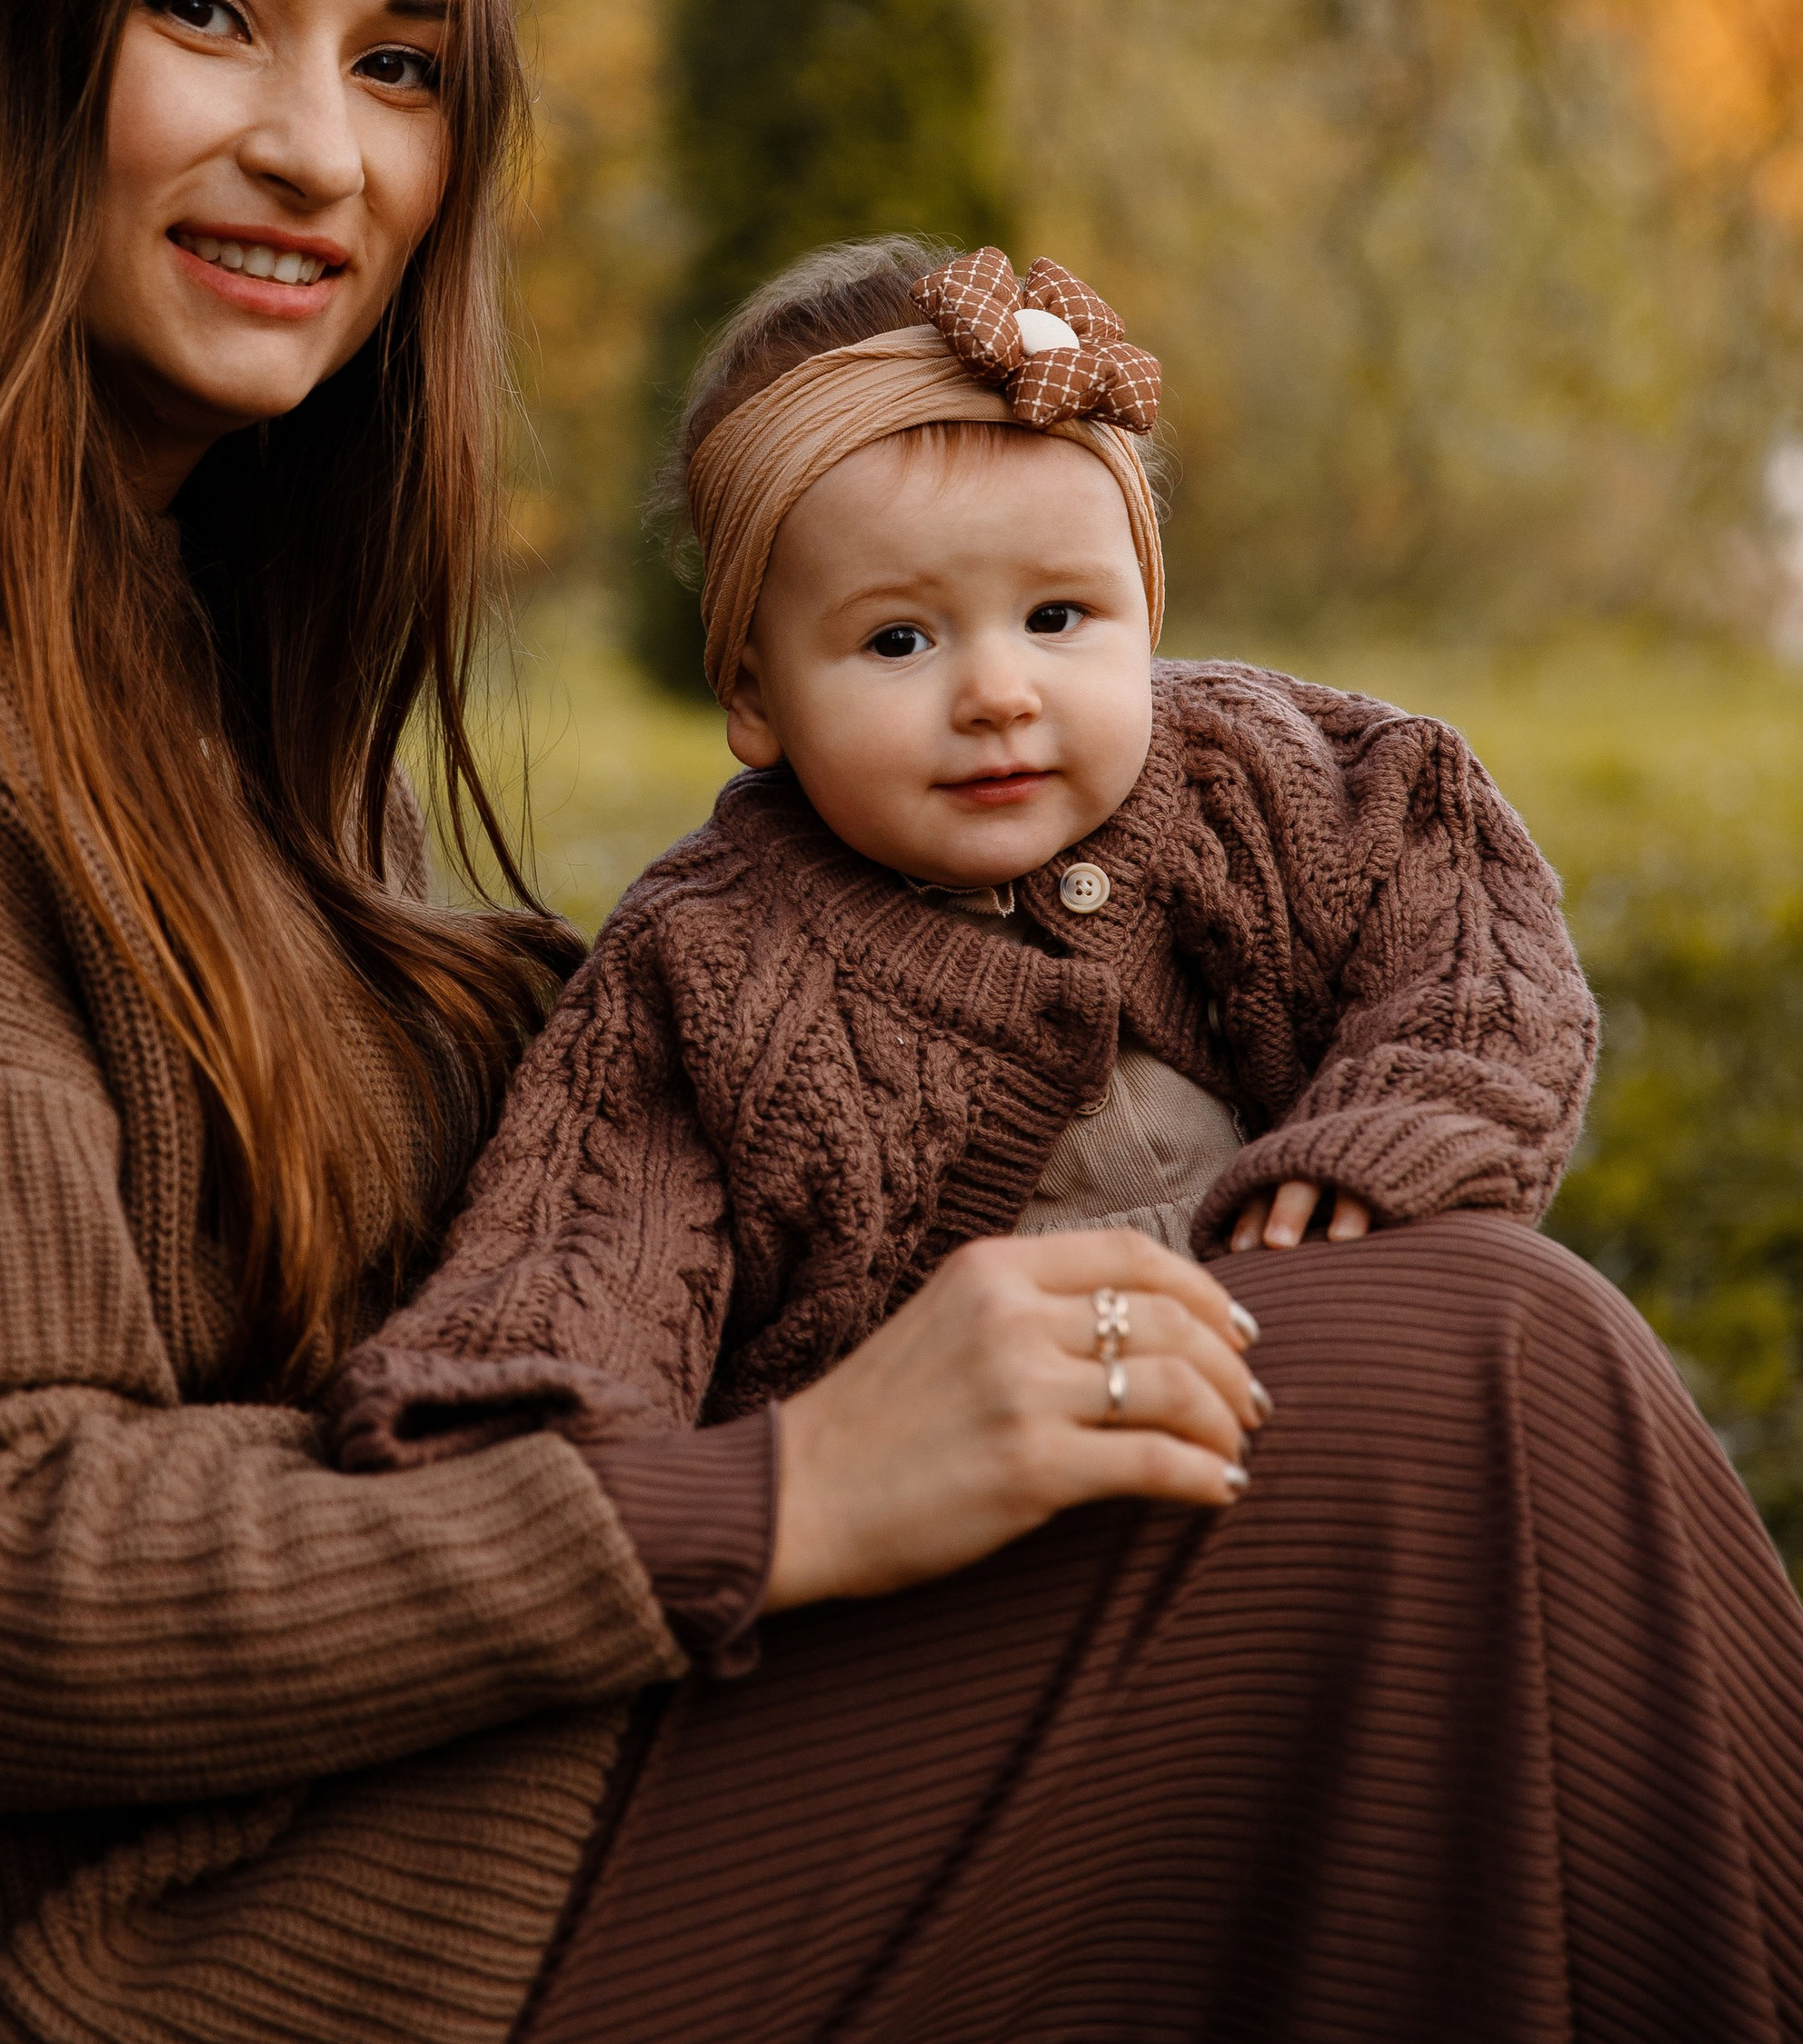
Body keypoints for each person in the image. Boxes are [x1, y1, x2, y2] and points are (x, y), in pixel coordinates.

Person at [0, 0, 1798, 2044]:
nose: (313, 152)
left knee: (1440, 1499)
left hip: (369, 1838)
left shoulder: (125, 615)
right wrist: (794, 1493)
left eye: (401, 64)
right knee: (1456, 1391)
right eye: (207, 12)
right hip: (146, 2017)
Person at [321, 234, 1599, 1463]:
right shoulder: (708, 963)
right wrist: (529, 1413)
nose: (998, 691)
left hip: (1312, 1380)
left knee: (1531, 1343)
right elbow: (594, 1236)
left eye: (1057, 617)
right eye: (897, 642)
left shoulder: (1268, 779)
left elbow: (1466, 946)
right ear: (757, 695)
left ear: (1145, 611)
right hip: (964, 1518)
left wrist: (1397, 1137)